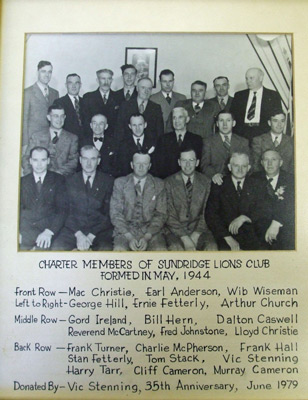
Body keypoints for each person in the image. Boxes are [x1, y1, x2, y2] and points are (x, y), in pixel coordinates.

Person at [52, 146, 114, 251]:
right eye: (85, 159)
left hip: (98, 232)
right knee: (57, 248)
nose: (88, 163)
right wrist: (79, 235)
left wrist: (91, 235)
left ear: (98, 161)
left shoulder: (108, 181)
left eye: (93, 159)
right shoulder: (69, 181)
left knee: (105, 251)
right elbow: (64, 211)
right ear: (80, 160)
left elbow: (108, 214)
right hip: (73, 230)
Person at [110, 152, 167, 251]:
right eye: (137, 163)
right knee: (119, 252)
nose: (141, 167)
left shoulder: (158, 184)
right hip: (125, 232)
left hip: (151, 232)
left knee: (160, 251)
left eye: (144, 164)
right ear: (132, 165)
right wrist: (129, 237)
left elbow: (161, 214)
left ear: (149, 166)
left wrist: (147, 236)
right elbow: (115, 214)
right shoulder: (120, 183)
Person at [205, 152, 260, 250]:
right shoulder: (219, 184)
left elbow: (263, 209)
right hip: (225, 235)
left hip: (251, 235)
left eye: (244, 166)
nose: (240, 169)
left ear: (249, 168)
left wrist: (245, 217)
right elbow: (211, 215)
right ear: (229, 167)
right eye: (236, 166)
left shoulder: (256, 185)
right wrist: (228, 238)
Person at [165, 147, 217, 251]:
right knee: (175, 249)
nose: (187, 164)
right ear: (179, 162)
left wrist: (196, 234)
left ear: (197, 162)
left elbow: (207, 212)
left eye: (191, 160)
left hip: (201, 230)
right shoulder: (168, 183)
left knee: (212, 247)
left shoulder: (207, 182)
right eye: (184, 160)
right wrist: (185, 237)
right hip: (175, 232)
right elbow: (169, 214)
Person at [19, 147, 67, 250]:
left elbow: (62, 211)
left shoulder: (58, 180)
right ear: (30, 161)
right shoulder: (22, 182)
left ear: (48, 161)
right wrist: (18, 232)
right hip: (26, 231)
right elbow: (18, 211)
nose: (39, 164)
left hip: (49, 230)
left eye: (43, 160)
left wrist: (49, 232)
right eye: (35, 160)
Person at [251, 150, 294, 250]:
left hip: (284, 226)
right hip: (260, 227)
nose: (269, 163)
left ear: (281, 162)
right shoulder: (253, 178)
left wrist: (277, 223)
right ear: (261, 163)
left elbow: (293, 207)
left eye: (274, 159)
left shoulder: (291, 180)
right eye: (266, 160)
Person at [23, 104, 78, 176]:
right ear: (49, 117)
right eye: (56, 116)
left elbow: (74, 162)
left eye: (62, 116)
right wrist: (32, 176)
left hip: (62, 179)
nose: (59, 119)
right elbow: (26, 159)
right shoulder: (37, 136)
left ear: (65, 117)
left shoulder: (72, 138)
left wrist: (57, 174)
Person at [230, 68, 282, 143]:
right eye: (246, 78)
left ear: (261, 78)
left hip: (263, 135)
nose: (248, 81)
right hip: (242, 135)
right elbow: (233, 116)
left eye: (251, 78)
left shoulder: (273, 95)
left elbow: (277, 117)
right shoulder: (239, 95)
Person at [153, 107, 202, 179]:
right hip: (168, 181)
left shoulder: (196, 140)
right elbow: (158, 165)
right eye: (174, 118)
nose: (176, 121)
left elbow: (198, 166)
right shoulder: (163, 139)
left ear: (187, 119)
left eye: (180, 117)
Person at [201, 110, 249, 184]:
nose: (225, 124)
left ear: (233, 123)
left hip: (238, 181)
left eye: (228, 120)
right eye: (221, 121)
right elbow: (205, 165)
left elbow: (248, 164)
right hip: (216, 181)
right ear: (217, 124)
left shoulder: (243, 142)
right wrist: (214, 174)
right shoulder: (208, 141)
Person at [22, 61, 59, 151]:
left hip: (50, 141)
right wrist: (24, 144)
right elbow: (24, 120)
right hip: (33, 141)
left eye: (49, 72)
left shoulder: (55, 93)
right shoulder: (27, 93)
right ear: (37, 72)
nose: (47, 75)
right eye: (43, 71)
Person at [115, 77, 164, 143]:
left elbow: (159, 133)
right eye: (143, 88)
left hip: (150, 149)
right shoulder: (125, 106)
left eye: (149, 88)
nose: (146, 91)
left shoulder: (156, 108)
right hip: (128, 148)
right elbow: (119, 131)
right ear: (137, 88)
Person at [83, 69, 120, 136]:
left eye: (109, 79)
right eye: (103, 78)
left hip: (113, 139)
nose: (106, 82)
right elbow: (86, 122)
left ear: (112, 80)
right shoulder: (88, 97)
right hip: (93, 137)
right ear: (97, 80)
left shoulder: (119, 97)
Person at [53, 73, 85, 138]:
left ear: (80, 85)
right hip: (67, 141)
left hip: (84, 141)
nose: (74, 86)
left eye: (77, 83)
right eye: (70, 83)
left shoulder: (86, 102)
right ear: (66, 85)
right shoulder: (59, 102)